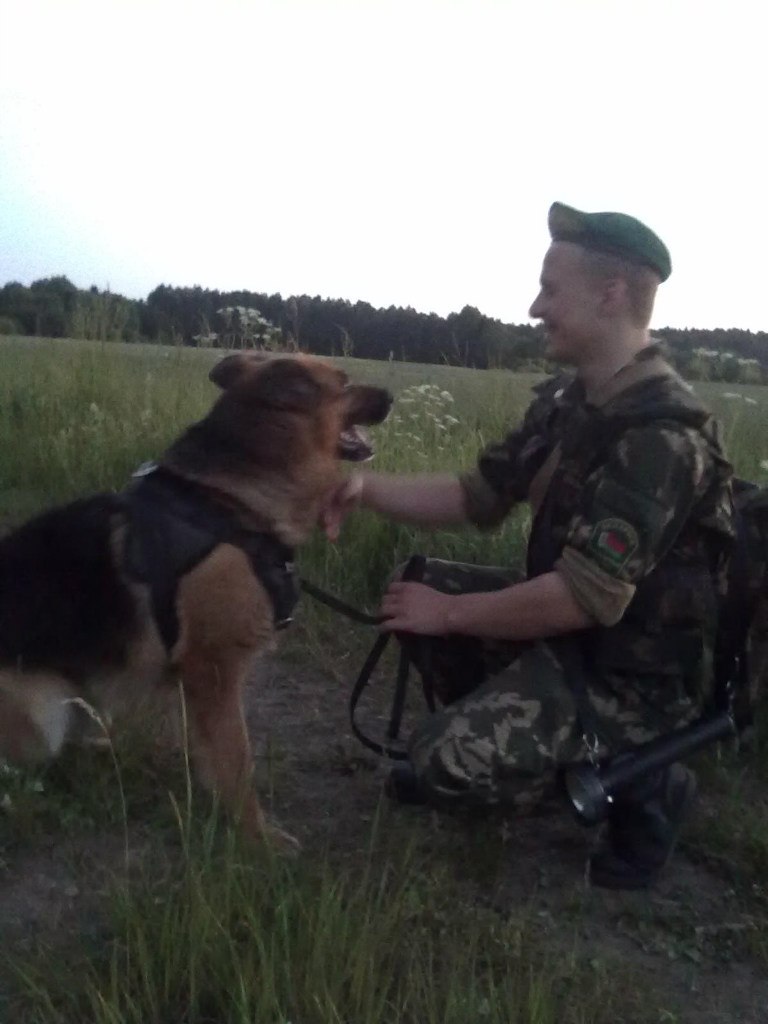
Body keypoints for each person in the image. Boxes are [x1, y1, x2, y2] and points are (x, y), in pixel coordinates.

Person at [322, 202, 735, 890]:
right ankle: (514, 739)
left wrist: (449, 615)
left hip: (633, 675)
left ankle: (644, 781)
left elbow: (583, 598)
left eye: (550, 290)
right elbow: (475, 497)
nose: (535, 307)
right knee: (416, 589)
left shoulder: (662, 436)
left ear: (610, 295)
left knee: (443, 757)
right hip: (576, 639)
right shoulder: (572, 404)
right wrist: (363, 489)